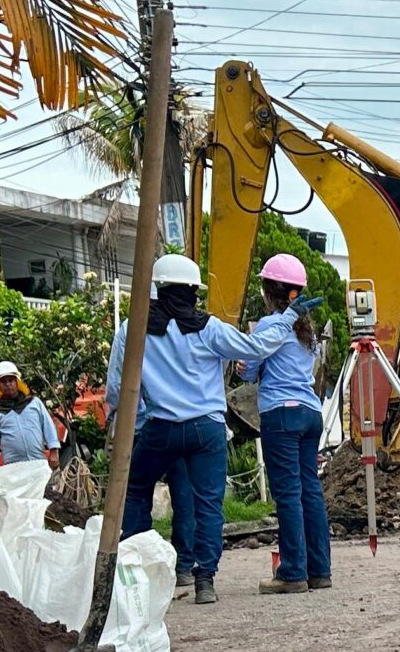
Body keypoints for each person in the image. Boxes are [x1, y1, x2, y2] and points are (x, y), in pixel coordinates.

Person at [105, 253, 279, 604]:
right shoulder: (209, 327)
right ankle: (204, 580)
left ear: (158, 288)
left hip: (160, 428)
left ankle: (143, 565)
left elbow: (116, 388)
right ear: (192, 292)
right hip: (206, 430)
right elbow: (254, 348)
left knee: (137, 489)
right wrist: (286, 318)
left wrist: (125, 421)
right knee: (207, 503)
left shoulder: (133, 328)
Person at [244, 253, 332, 596]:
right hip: (310, 413)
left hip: (280, 414)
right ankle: (319, 569)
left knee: (288, 492)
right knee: (310, 488)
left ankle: (293, 571)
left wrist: (245, 368)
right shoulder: (307, 332)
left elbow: (250, 367)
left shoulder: (269, 326)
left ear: (269, 291)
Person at [0, 360, 60, 467]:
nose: (8, 384)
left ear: (17, 382)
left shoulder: (34, 403)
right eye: (3, 382)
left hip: (38, 462)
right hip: (13, 468)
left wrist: (54, 452)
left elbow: (48, 427)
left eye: (11, 380)